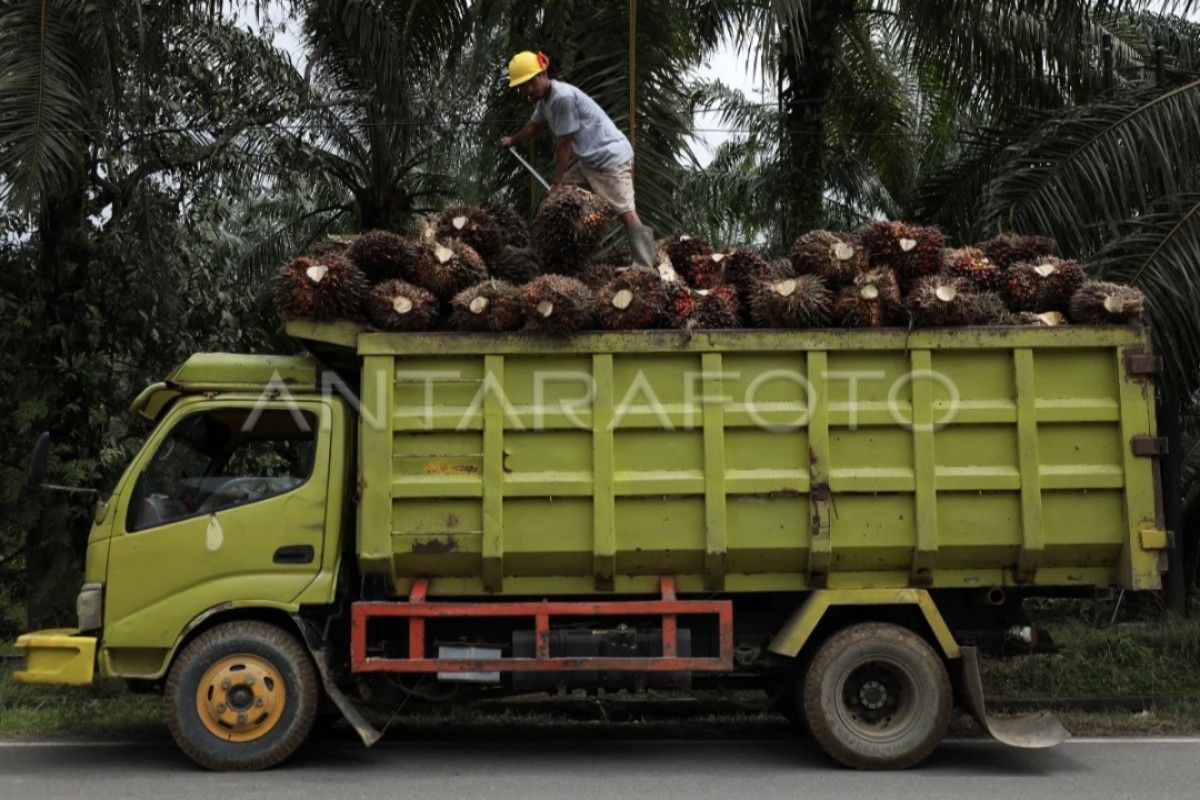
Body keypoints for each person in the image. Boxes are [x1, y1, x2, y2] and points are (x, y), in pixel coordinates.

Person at [500, 50, 655, 268]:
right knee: (554, 202)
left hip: (610, 159)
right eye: (523, 87)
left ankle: (645, 264)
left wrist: (557, 183)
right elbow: (533, 126)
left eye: (531, 83)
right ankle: (534, 251)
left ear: (543, 74)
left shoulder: (561, 98)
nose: (529, 90)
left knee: (625, 210)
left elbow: (564, 145)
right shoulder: (545, 102)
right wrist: (513, 140)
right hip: (589, 163)